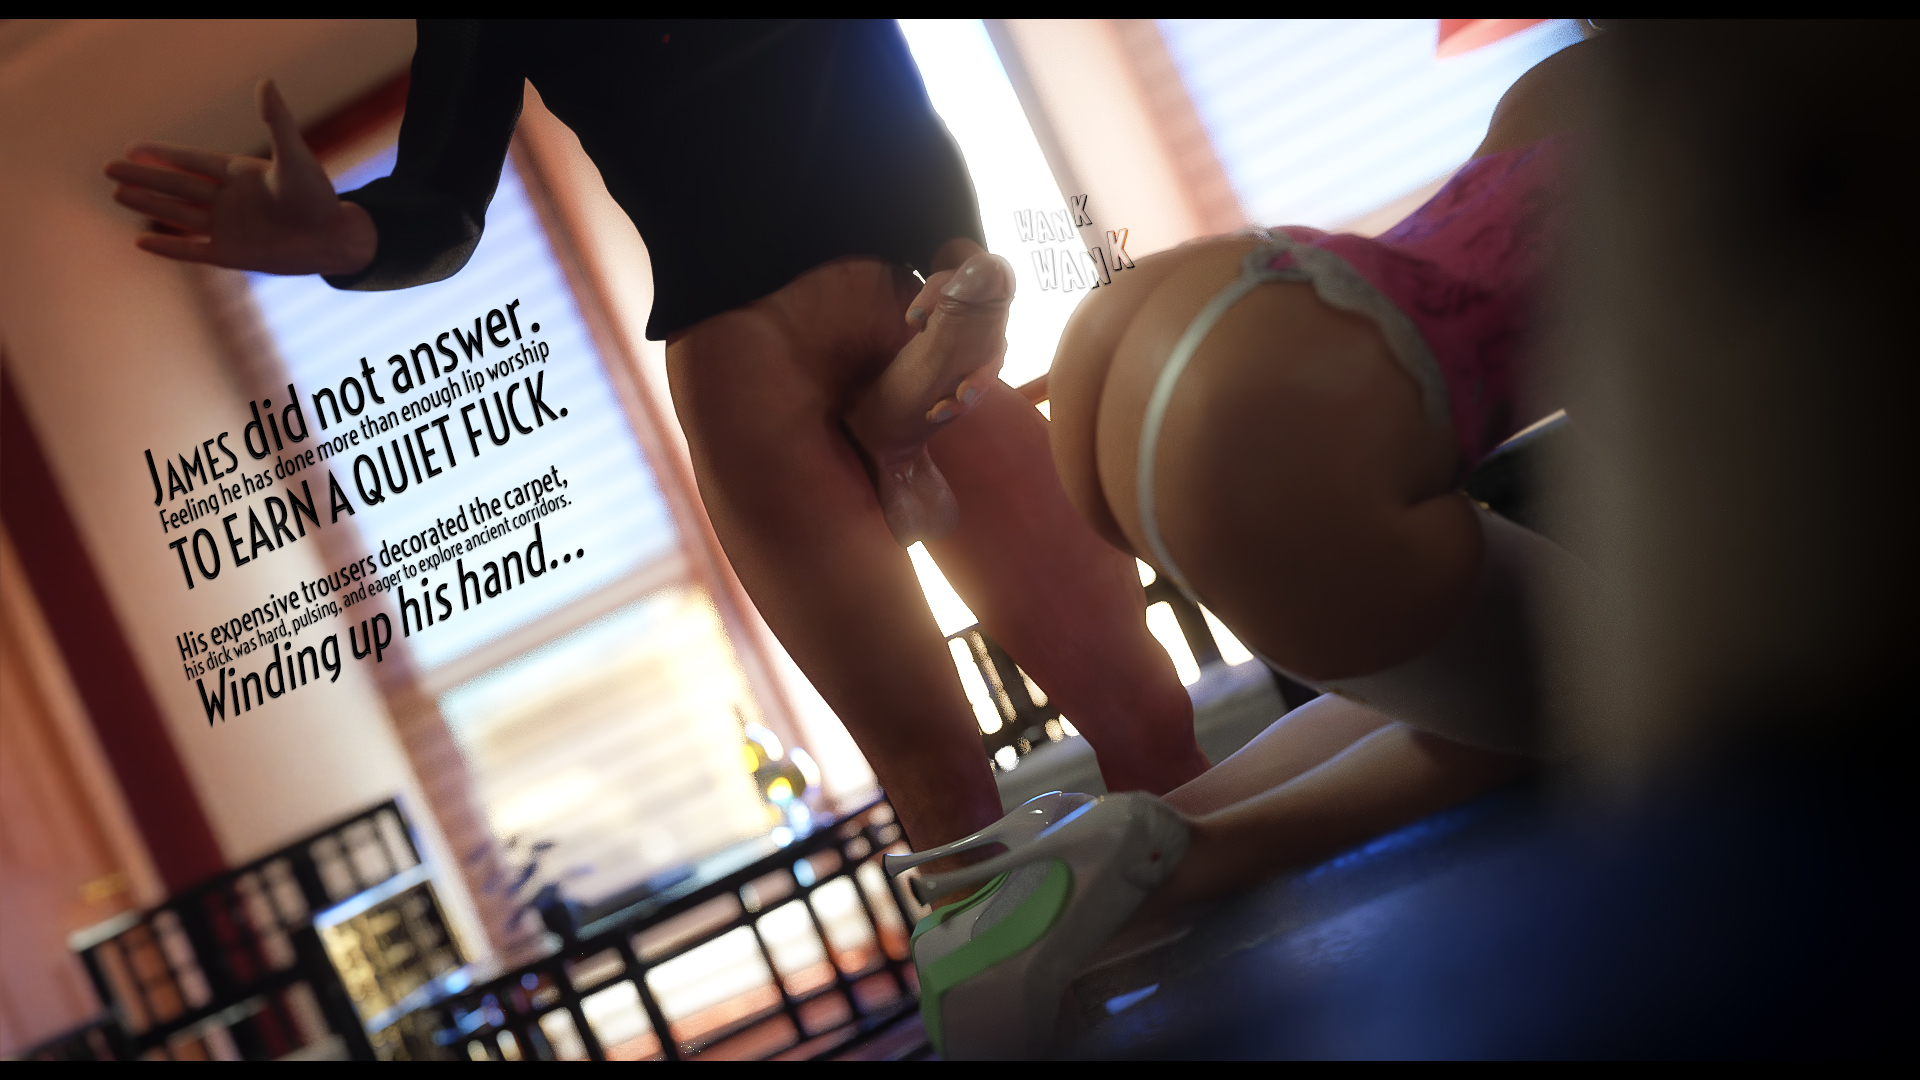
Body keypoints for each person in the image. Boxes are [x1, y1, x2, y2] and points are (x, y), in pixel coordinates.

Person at [105, 20, 1209, 856]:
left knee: (1148, 712)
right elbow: (439, 200)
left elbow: (885, 82)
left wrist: (960, 254)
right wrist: (344, 234)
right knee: (944, 792)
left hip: (913, 320)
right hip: (748, 379)